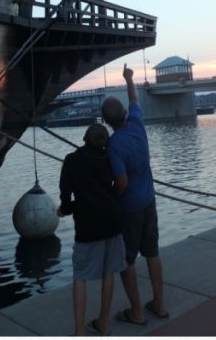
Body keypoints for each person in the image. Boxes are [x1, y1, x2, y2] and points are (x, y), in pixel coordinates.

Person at [102, 64, 167, 326]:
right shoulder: (138, 123)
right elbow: (134, 98)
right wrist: (129, 78)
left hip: (129, 208)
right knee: (152, 252)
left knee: (126, 259)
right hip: (149, 201)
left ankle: (137, 312)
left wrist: (112, 195)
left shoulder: (113, 144)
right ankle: (159, 305)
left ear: (106, 122)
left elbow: (122, 182)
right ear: (126, 114)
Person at [58, 123, 125, 336]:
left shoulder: (71, 160)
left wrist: (65, 210)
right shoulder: (110, 159)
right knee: (109, 272)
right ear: (106, 141)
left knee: (80, 276)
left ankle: (79, 332)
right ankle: (103, 323)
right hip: (113, 221)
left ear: (84, 138)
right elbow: (119, 184)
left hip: (87, 226)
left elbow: (65, 195)